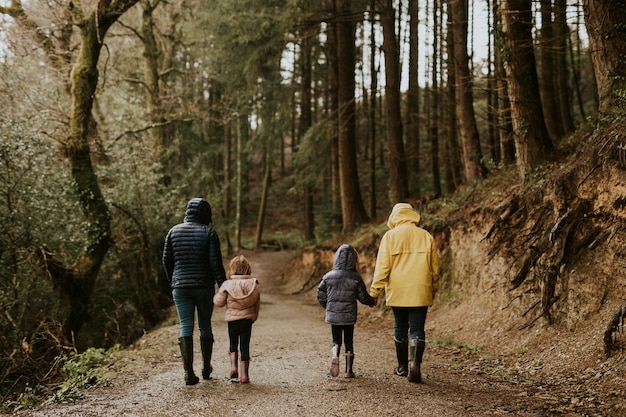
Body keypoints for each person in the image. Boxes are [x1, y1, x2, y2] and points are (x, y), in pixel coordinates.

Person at [369, 202, 440, 383]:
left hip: (398, 291)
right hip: (420, 290)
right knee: (417, 329)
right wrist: (433, 288)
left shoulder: (390, 237)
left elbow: (382, 268)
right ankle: (414, 364)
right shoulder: (426, 236)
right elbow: (435, 268)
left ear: (394, 217)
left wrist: (374, 292)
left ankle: (402, 367)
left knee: (400, 327)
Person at [162, 198, 226, 385]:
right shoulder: (209, 233)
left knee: (185, 326)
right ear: (206, 213)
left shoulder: (173, 232)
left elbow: (166, 261)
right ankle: (206, 367)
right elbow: (216, 264)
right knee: (205, 326)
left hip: (180, 286)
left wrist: (173, 281)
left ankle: (188, 373)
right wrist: (224, 287)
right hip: (204, 287)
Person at [317, 244, 376, 378]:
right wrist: (371, 302)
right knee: (349, 341)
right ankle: (349, 370)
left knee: (336, 339)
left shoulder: (328, 276)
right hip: (349, 315)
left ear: (336, 258)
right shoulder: (355, 277)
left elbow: (320, 294)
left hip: (334, 314)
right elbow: (363, 296)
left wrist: (329, 307)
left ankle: (334, 353)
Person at [213, 254, 261, 384]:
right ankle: (244, 376)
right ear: (247, 269)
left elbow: (219, 302)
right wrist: (253, 317)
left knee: (233, 343)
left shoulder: (227, 284)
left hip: (232, 321)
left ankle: (233, 368)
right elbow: (257, 303)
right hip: (247, 321)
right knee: (245, 346)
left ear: (232, 269)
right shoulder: (253, 285)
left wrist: (217, 295)